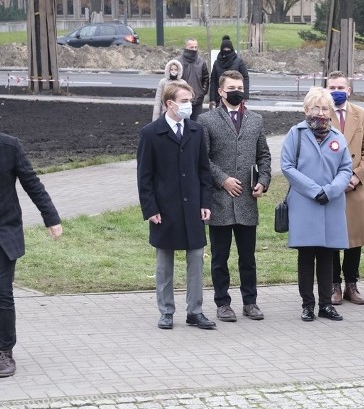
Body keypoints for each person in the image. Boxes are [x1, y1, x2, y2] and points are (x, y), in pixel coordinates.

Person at [137, 80, 215, 330]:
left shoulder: (195, 131)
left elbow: (203, 170)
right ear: (170, 104)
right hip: (165, 209)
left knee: (196, 260)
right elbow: (144, 177)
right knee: (164, 264)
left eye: (190, 101)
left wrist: (205, 202)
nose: (189, 106)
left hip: (192, 207)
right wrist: (151, 209)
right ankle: (166, 311)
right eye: (184, 101)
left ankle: (195, 311)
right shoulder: (151, 133)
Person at [198, 70, 272, 322]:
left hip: (247, 202)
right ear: (220, 91)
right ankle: (222, 303)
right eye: (231, 87)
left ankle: (250, 302)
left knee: (247, 257)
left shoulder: (255, 120)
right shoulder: (206, 120)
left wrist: (263, 181)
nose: (237, 91)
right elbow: (202, 159)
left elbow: (263, 155)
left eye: (240, 87)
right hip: (219, 201)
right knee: (220, 257)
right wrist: (223, 179)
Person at [281, 87, 352, 322]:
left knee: (327, 256)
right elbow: (287, 166)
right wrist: (314, 190)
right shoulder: (296, 133)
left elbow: (345, 169)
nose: (320, 112)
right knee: (306, 255)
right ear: (306, 109)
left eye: (324, 108)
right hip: (304, 203)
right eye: (315, 108)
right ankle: (307, 305)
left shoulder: (337, 137)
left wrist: (330, 190)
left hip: (331, 203)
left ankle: (326, 305)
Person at [0, 134, 62, 378]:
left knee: (2, 292)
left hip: (3, 232)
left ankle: (4, 351)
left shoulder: (9, 146)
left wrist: (52, 218)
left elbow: (32, 183)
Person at [327, 71, 364, 306]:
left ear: (349, 90)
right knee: (332, 237)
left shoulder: (361, 115)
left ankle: (351, 284)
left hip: (355, 187)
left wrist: (356, 177)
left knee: (355, 237)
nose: (336, 91)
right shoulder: (322, 114)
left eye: (340, 87)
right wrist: (335, 181)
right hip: (331, 186)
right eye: (332, 87)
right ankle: (333, 284)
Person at [209, 35, 249, 108]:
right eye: (225, 48)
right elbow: (213, 81)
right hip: (220, 96)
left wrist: (245, 95)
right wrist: (212, 98)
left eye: (228, 48)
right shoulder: (217, 63)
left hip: (236, 96)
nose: (226, 50)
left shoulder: (239, 62)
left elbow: (245, 78)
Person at [178, 38, 210, 120]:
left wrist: (202, 92)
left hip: (197, 100)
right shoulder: (178, 62)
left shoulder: (201, 62)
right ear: (186, 47)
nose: (194, 49)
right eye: (191, 47)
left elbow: (206, 78)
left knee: (196, 125)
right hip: (181, 100)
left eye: (196, 47)